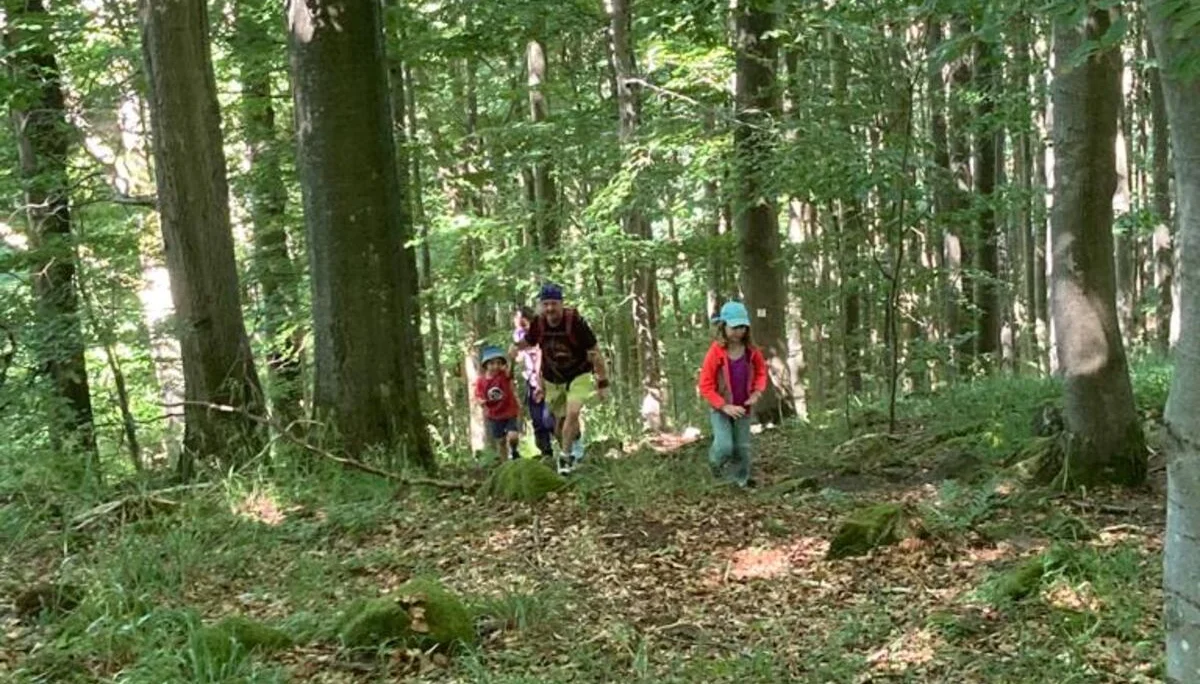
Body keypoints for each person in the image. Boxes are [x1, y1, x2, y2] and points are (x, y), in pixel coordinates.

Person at [513, 283, 609, 475]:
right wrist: (514, 348)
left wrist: (602, 381)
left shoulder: (575, 322)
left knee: (573, 412)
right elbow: (528, 342)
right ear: (541, 305)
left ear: (561, 303)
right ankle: (574, 446)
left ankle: (565, 459)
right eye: (546, 304)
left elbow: (595, 351)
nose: (550, 308)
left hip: (579, 374)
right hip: (553, 378)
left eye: (554, 304)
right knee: (557, 425)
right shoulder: (539, 323)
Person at [697, 300, 767, 488]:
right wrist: (723, 406)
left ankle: (740, 481)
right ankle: (714, 469)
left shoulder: (752, 352)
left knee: (742, 448)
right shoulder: (716, 352)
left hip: (743, 408)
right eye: (734, 327)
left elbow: (761, 372)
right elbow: (705, 384)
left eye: (743, 327)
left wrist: (757, 392)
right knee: (724, 446)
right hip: (720, 409)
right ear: (724, 326)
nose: (739, 331)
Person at [513, 306, 555, 458]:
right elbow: (517, 355)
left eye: (522, 320)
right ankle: (546, 452)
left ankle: (569, 448)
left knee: (550, 417)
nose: (519, 323)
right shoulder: (518, 334)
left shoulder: (542, 330)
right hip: (531, 379)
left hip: (547, 378)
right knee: (537, 418)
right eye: (517, 320)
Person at [474, 345, 521, 462]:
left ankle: (514, 451)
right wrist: (481, 402)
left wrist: (512, 359)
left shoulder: (503, 375)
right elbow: (478, 395)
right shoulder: (481, 381)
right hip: (494, 415)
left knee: (513, 436)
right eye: (492, 363)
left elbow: (510, 371)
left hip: (509, 411)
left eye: (498, 363)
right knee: (501, 441)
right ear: (486, 365)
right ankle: (505, 463)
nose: (495, 366)